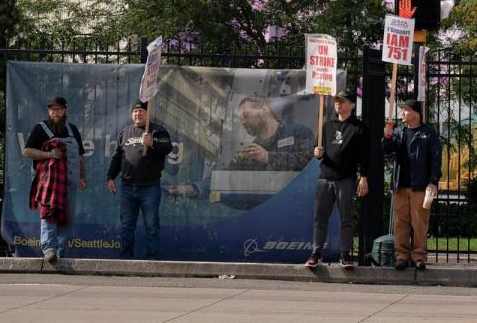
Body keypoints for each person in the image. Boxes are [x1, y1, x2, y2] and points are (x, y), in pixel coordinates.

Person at [168, 95, 314, 199]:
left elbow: (308, 161)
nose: (243, 122)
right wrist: (193, 188)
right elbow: (227, 176)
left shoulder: (298, 132)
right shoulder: (250, 152)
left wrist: (268, 157)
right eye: (240, 119)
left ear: (264, 110)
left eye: (246, 115)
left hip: (299, 202)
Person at [305, 90, 370, 269]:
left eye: (342, 101)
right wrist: (316, 152)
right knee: (320, 218)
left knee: (346, 219)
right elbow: (318, 150)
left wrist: (363, 177)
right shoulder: (326, 125)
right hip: (325, 178)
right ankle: (316, 253)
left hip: (346, 179)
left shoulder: (359, 128)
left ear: (352, 105)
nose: (338, 104)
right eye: (336, 101)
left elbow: (365, 156)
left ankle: (345, 254)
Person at [22, 96, 87, 263]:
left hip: (70, 183)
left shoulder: (72, 130)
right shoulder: (40, 128)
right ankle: (49, 249)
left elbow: (80, 156)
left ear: (65, 110)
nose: (55, 112)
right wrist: (48, 154)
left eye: (58, 109)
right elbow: (27, 151)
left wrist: (82, 177)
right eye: (52, 109)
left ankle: (60, 251)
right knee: (49, 214)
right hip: (48, 183)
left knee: (68, 218)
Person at [106, 99, 173, 259]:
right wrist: (110, 177)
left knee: (151, 226)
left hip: (150, 188)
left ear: (147, 114)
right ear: (131, 114)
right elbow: (117, 158)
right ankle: (125, 261)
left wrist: (152, 142)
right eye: (135, 111)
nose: (138, 114)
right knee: (127, 226)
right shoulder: (125, 132)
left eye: (141, 111)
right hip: (127, 187)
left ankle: (152, 260)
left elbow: (167, 147)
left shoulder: (157, 130)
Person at [382, 99, 442, 270]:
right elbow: (388, 149)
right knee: (400, 221)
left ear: (416, 113)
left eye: (405, 110)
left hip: (420, 186)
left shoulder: (428, 133)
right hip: (400, 184)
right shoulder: (399, 132)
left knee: (419, 222)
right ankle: (401, 255)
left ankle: (419, 256)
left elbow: (436, 159)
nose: (402, 113)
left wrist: (433, 181)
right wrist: (386, 137)